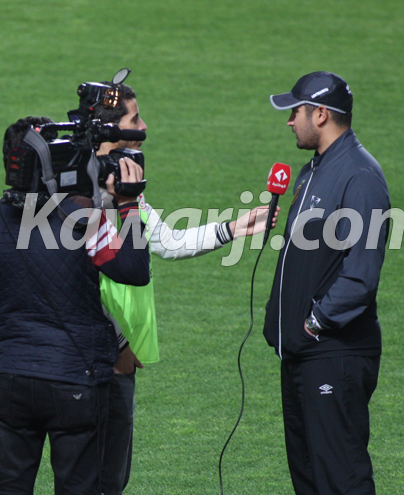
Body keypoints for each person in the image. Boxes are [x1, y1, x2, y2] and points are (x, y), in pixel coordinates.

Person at [92, 80, 277, 494]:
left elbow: (168, 242)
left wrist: (234, 228)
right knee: (95, 479)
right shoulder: (81, 195)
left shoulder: (123, 186)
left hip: (116, 359)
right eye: (136, 118)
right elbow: (75, 278)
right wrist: (117, 344)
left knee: (110, 479)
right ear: (109, 130)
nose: (145, 126)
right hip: (99, 357)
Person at [0, 116, 151, 495]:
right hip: (76, 382)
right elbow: (134, 270)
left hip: (11, 380)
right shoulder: (84, 223)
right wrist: (127, 203)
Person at [263, 71, 390, 495]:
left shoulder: (360, 177)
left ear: (320, 114)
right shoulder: (313, 170)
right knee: (310, 480)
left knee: (341, 479)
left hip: (333, 353)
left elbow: (361, 273)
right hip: (302, 355)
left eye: (295, 111)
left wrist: (315, 322)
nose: (289, 120)